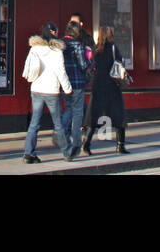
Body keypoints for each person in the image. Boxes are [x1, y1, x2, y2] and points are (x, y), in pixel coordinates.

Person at [22, 22, 71, 164]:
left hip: (36, 89)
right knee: (58, 124)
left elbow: (28, 66)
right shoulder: (56, 51)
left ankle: (28, 153)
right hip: (51, 91)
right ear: (54, 33)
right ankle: (67, 153)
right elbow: (61, 72)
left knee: (34, 123)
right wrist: (67, 88)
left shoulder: (34, 48)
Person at [82, 25, 128, 154]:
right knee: (119, 114)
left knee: (94, 115)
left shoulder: (95, 49)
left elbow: (90, 64)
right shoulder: (113, 48)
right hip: (112, 85)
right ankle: (120, 145)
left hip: (98, 85)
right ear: (110, 35)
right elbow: (120, 63)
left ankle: (86, 144)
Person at [60, 22, 92, 161]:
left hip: (64, 82)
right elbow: (83, 65)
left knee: (68, 108)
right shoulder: (77, 45)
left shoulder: (60, 44)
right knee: (77, 112)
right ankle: (76, 144)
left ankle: (63, 133)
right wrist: (90, 61)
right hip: (78, 82)